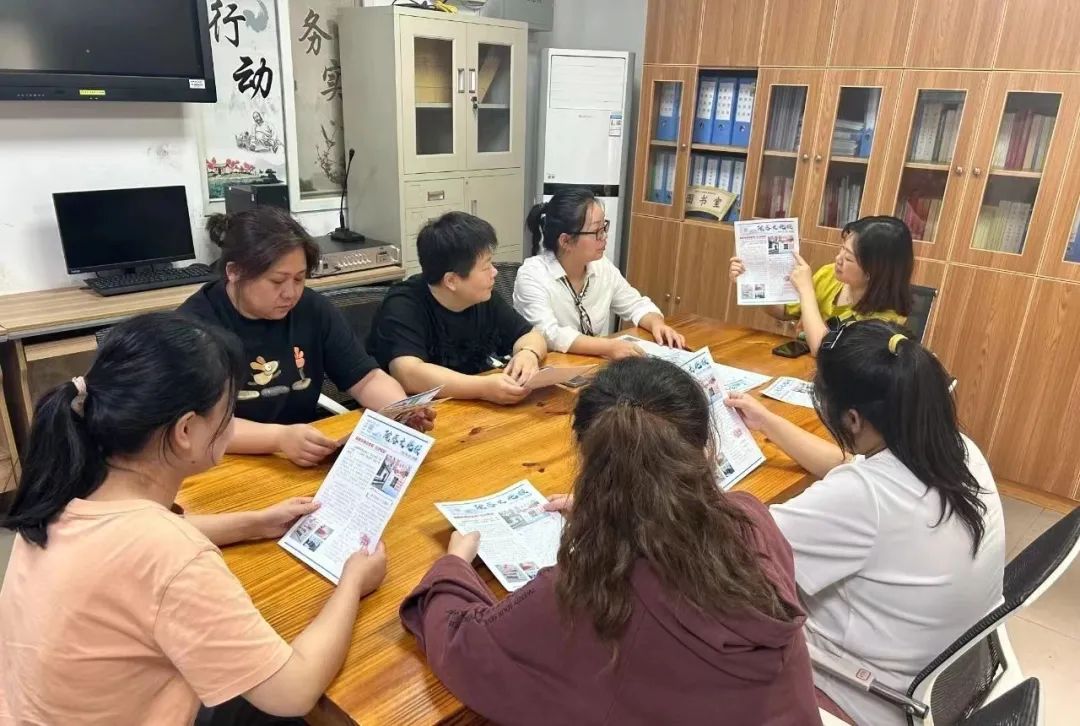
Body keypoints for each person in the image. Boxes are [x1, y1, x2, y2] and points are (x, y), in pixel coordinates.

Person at [0, 313, 387, 725]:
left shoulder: (62, 492)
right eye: (227, 413)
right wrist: (352, 583)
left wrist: (256, 523)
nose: (231, 424)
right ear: (185, 431)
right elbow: (293, 692)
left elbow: (133, 552)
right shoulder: (173, 556)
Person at [399, 357, 820, 725]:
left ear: (589, 460)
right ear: (707, 449)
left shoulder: (594, 591)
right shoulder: (752, 518)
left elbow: (462, 648)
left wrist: (453, 564)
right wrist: (619, 511)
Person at [725, 320, 1005, 726]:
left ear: (853, 420)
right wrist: (768, 421)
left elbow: (735, 541)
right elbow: (852, 468)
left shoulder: (863, 497)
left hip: (860, 692)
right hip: (932, 678)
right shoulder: (955, 449)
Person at [179, 206, 432, 469]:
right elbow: (197, 427)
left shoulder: (312, 309)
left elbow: (365, 378)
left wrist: (400, 410)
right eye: (277, 281)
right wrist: (278, 438)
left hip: (301, 458)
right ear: (234, 272)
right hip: (222, 463)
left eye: (299, 279)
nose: (290, 293)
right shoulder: (195, 327)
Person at [367, 212, 548, 406]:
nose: (495, 272)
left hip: (474, 406)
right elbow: (407, 373)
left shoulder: (482, 297)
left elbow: (531, 335)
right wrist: (482, 388)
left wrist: (528, 353)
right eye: (486, 267)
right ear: (451, 281)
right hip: (420, 412)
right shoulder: (403, 304)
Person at [513, 188, 685, 358]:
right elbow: (548, 334)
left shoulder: (601, 266)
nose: (604, 236)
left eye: (604, 227)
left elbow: (635, 305)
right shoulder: (532, 274)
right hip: (548, 367)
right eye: (597, 231)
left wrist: (657, 323)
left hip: (593, 364)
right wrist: (608, 347)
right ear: (566, 241)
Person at [729, 216, 914, 354]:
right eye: (842, 248)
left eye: (848, 258)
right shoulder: (829, 274)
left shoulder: (886, 320)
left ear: (872, 271)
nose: (838, 259)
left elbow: (824, 349)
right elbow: (783, 311)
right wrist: (753, 282)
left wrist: (806, 290)